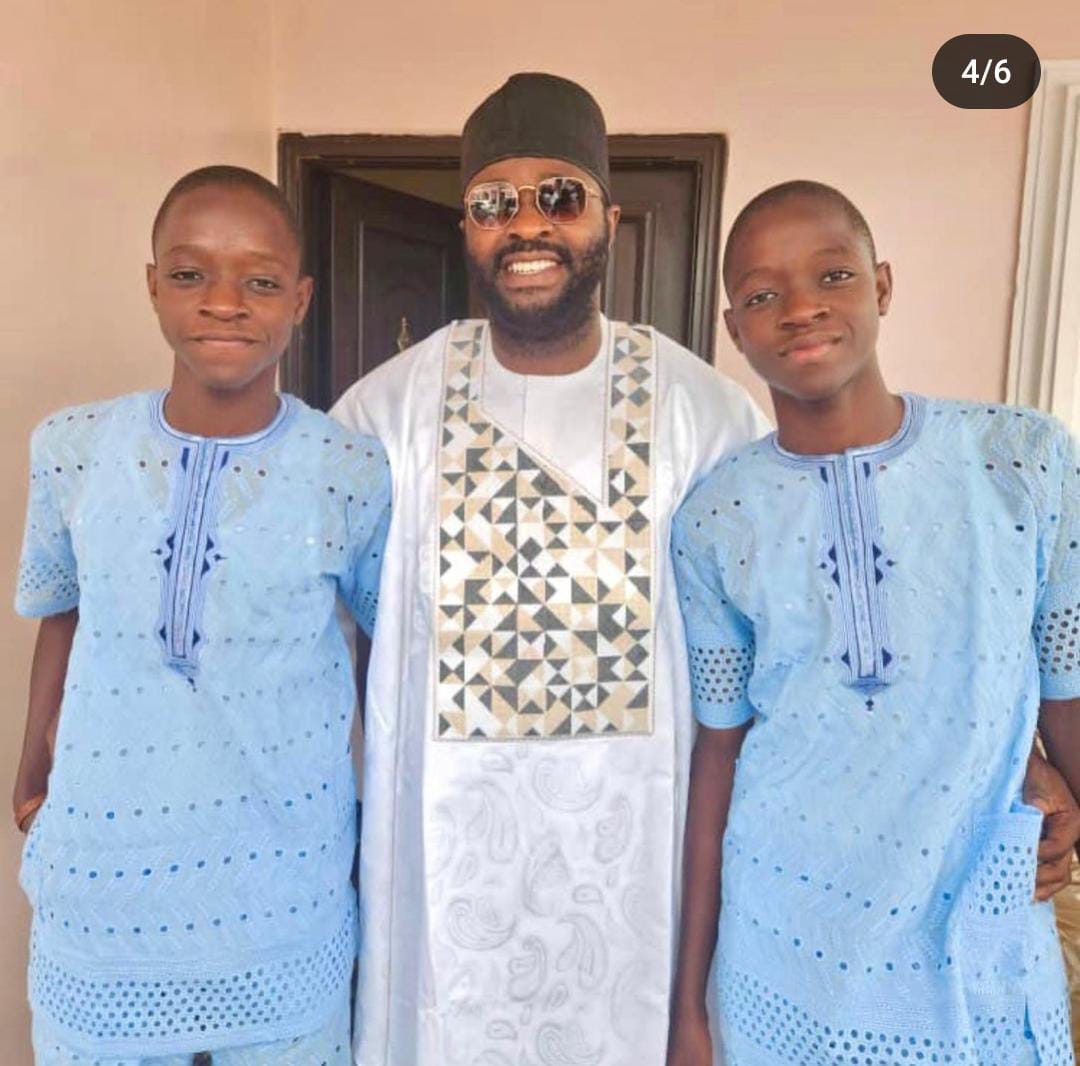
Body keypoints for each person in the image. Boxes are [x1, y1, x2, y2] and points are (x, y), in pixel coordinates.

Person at [329, 72, 770, 1065]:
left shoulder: (708, 416)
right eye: (495, 202)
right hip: (436, 881)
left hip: (637, 882)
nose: (527, 225)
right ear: (466, 229)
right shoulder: (382, 415)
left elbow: (780, 638)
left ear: (606, 217)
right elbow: (311, 629)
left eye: (558, 195)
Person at [668, 180, 1080, 1065]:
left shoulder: (1023, 463)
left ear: (882, 286)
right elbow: (720, 752)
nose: (803, 309)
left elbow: (1067, 689)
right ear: (734, 325)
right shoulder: (715, 518)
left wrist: (1057, 788)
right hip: (781, 949)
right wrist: (688, 1008)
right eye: (764, 295)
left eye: (834, 275)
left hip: (975, 940)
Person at [12, 166, 391, 1065]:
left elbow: (383, 654)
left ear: (299, 299)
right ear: (151, 284)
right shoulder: (70, 449)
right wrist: (31, 772)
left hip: (283, 891)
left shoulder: (352, 470)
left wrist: (374, 818)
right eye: (190, 275)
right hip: (104, 883)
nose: (225, 303)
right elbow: (59, 614)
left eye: (259, 280)